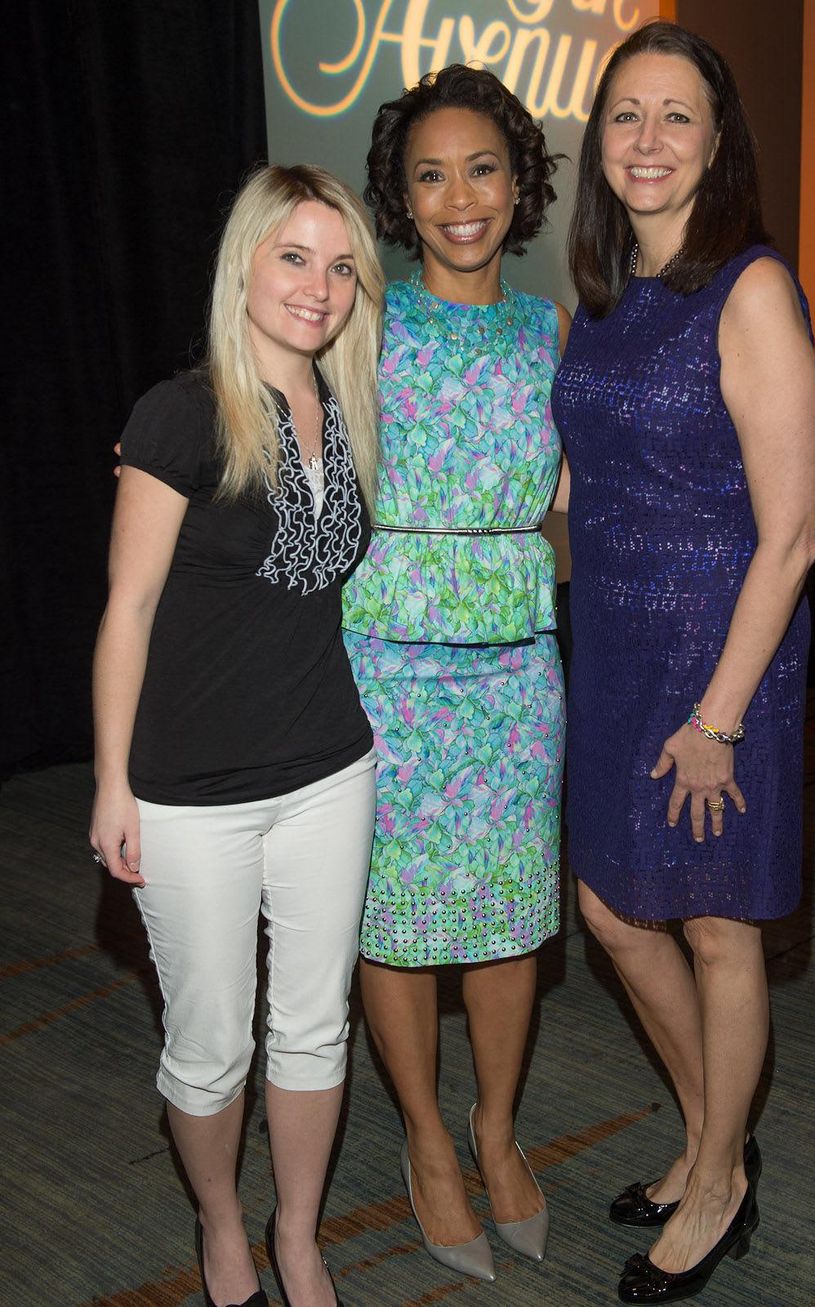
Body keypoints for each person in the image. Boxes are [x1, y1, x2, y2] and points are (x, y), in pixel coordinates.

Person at [552, 20, 815, 1305]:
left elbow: (791, 537)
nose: (646, 140)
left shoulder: (749, 286)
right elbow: (570, 485)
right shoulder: (599, 304)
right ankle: (716, 1130)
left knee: (714, 923)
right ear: (598, 144)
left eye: (675, 116)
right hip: (610, 644)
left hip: (722, 655)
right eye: (624, 115)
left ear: (717, 144)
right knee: (610, 905)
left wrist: (716, 716)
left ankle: (715, 1179)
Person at [89, 164, 384, 1307]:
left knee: (314, 1027)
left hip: (327, 767)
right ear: (245, 264)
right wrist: (113, 782)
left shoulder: (353, 406)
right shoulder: (179, 413)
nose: (318, 286)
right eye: (294, 256)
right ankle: (221, 1228)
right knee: (211, 1045)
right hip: (188, 788)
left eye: (341, 263)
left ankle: (298, 1237)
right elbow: (128, 608)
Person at [340, 65, 568, 1281]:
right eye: (430, 174)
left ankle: (495, 1126)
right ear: (403, 196)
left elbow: (586, 491)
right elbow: (268, 414)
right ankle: (428, 1141)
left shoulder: (548, 330)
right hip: (383, 664)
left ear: (520, 181)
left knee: (504, 917)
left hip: (517, 670)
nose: (459, 196)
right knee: (393, 917)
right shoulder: (366, 319)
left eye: (482, 167)